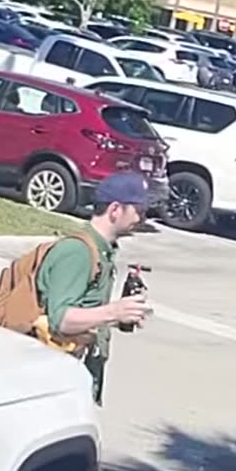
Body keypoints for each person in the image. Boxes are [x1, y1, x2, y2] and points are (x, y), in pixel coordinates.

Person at [37, 171, 150, 405]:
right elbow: (61, 319)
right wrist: (113, 312)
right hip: (50, 382)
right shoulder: (77, 252)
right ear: (115, 209)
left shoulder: (102, 251)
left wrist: (119, 317)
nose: (142, 218)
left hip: (73, 376)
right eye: (139, 210)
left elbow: (84, 308)